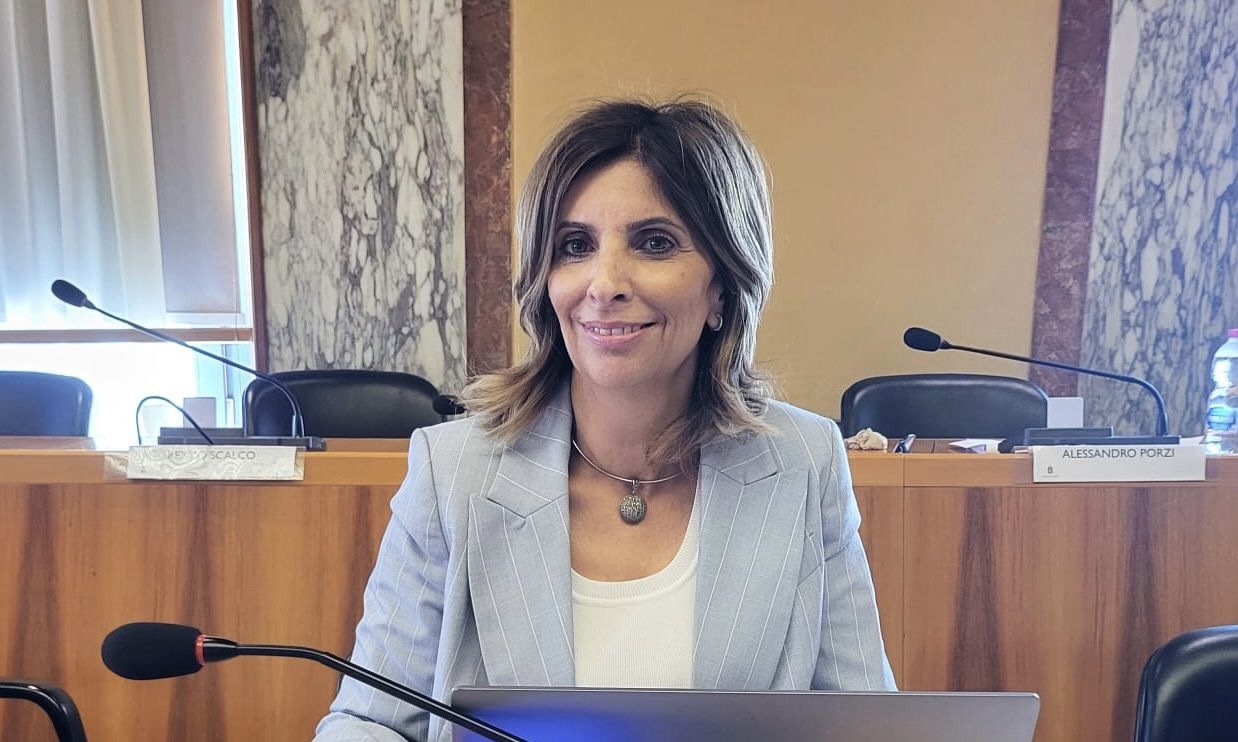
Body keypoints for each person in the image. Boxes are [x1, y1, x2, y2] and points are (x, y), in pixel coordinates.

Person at [314, 98, 895, 742]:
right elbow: (369, 720)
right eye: (575, 246)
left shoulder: (805, 462)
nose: (604, 283)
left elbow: (866, 724)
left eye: (654, 243)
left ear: (723, 288)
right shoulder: (453, 470)